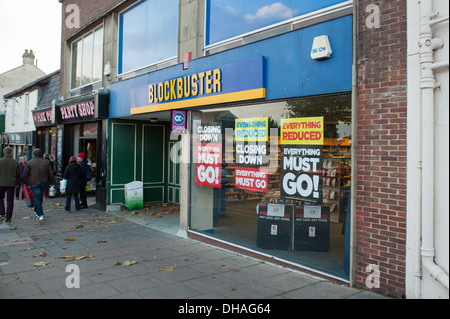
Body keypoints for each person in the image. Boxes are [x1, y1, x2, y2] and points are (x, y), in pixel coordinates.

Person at [22, 148, 54, 221]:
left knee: (37, 198)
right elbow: (50, 173)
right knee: (39, 198)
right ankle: (37, 210)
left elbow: (25, 174)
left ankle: (40, 214)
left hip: (34, 183)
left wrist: (25, 182)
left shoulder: (29, 162)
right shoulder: (46, 162)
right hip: (44, 182)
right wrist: (51, 182)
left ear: (34, 154)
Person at [0, 147, 20, 223]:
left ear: (4, 152)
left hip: (1, 183)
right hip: (11, 184)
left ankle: (2, 213)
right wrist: (17, 184)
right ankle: (8, 218)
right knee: (10, 200)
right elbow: (18, 174)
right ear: (11, 152)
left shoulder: (0, 161)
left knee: (0, 198)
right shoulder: (15, 162)